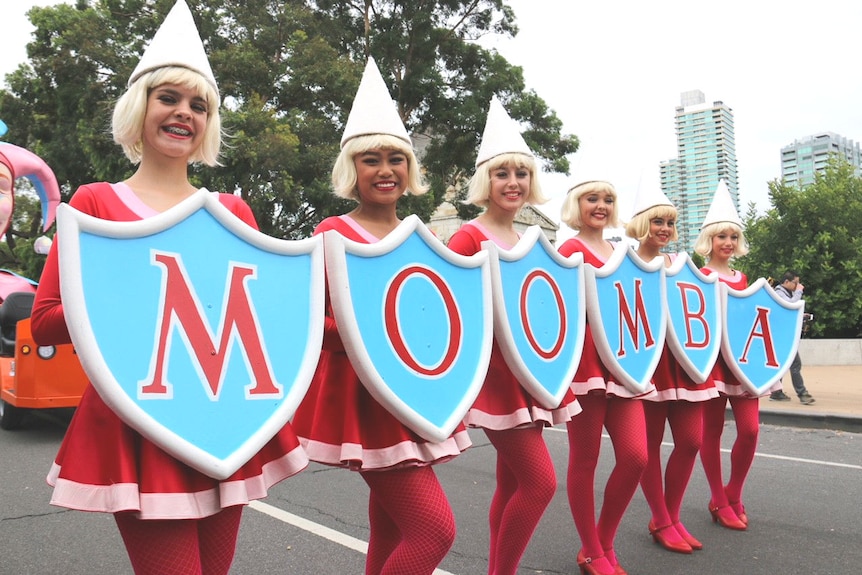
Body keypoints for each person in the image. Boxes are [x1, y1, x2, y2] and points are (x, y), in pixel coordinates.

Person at [29, 2, 308, 574]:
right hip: (140, 425)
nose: (184, 113)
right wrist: (131, 300)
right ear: (141, 107)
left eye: (198, 105)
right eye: (169, 98)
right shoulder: (95, 203)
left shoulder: (232, 212)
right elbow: (47, 319)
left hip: (223, 417)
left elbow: (266, 326)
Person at [290, 58, 470, 575]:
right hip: (367, 402)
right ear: (353, 170)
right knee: (434, 532)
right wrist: (369, 341)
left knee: (391, 526)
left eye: (396, 158)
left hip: (416, 393)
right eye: (371, 160)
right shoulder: (332, 233)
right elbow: (313, 323)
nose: (386, 169)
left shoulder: (423, 238)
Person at [447, 98, 580, 575]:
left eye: (521, 174)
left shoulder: (532, 242)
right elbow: (456, 317)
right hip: (497, 381)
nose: (513, 183)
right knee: (540, 483)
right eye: (502, 173)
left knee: (511, 485)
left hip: (532, 374)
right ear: (486, 181)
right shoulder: (467, 238)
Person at [557, 180, 652, 575]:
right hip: (587, 369)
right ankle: (591, 549)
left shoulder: (621, 251)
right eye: (592, 198)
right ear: (576, 204)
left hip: (626, 365)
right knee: (586, 459)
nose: (600, 205)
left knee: (636, 457)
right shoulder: (567, 250)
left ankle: (605, 540)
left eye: (607, 199)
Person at [625, 182, 717, 554]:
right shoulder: (623, 262)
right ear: (642, 223)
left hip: (684, 363)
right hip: (645, 362)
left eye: (669, 222)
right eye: (657, 221)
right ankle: (661, 518)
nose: (663, 228)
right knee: (647, 449)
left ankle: (671, 515)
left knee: (691, 441)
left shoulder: (681, 266)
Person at [695, 180, 779, 532]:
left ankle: (733, 491)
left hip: (741, 364)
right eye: (721, 237)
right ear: (709, 241)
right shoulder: (700, 276)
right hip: (712, 362)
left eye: (733, 236)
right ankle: (717, 496)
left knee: (750, 430)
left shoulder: (742, 277)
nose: (728, 243)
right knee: (709, 432)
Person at [770, 271, 815, 405]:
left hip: (783, 335)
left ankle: (776, 392)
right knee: (795, 364)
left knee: (783, 365)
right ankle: (803, 394)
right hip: (781, 336)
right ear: (786, 282)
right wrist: (799, 292)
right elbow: (790, 305)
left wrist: (802, 315)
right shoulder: (779, 293)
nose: (798, 285)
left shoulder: (785, 293)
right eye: (795, 283)